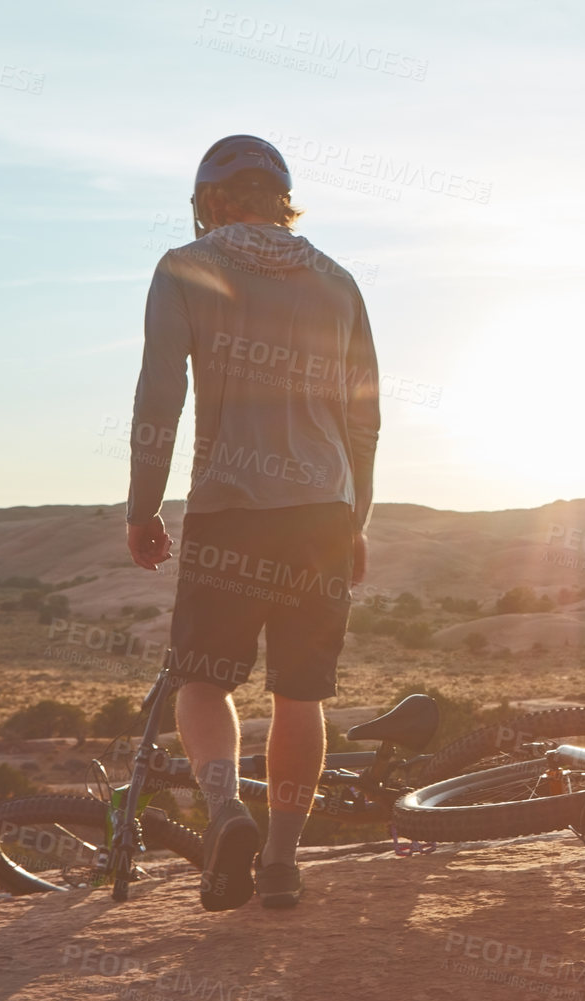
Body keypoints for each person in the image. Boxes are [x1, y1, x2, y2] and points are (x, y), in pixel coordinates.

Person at [124, 134, 380, 911]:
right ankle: (278, 864)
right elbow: (364, 420)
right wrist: (357, 520)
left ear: (210, 201)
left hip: (229, 508)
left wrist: (144, 508)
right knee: (301, 695)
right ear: (281, 198)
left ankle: (225, 809)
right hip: (324, 513)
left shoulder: (186, 266)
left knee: (201, 681)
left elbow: (159, 398)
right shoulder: (339, 282)